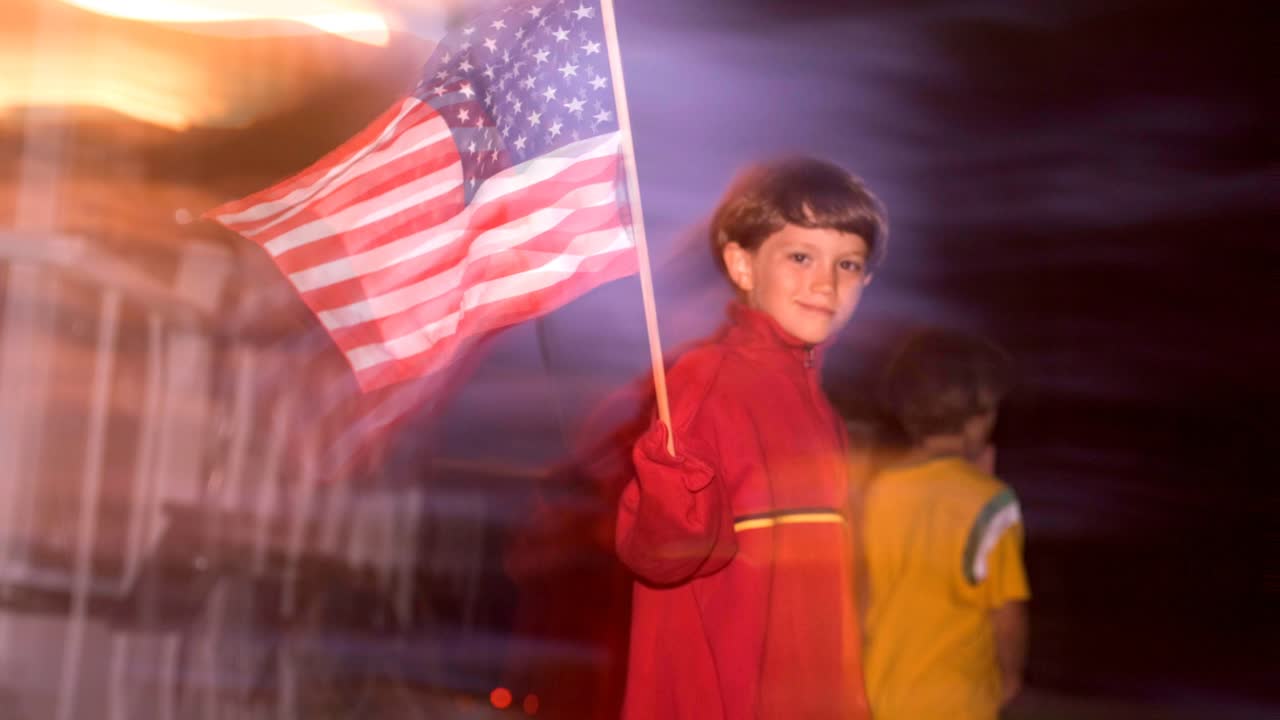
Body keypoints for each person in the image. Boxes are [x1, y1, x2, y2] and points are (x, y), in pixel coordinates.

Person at [615, 157, 888, 719]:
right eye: (800, 256)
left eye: (849, 263)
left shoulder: (822, 413)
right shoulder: (707, 380)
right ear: (742, 264)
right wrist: (669, 486)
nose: (826, 283)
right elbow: (661, 557)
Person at [860, 329, 1030, 720]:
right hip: (957, 702)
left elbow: (865, 590)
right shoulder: (991, 503)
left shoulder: (878, 490)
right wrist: (1012, 675)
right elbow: (1006, 610)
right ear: (978, 419)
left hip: (882, 693)